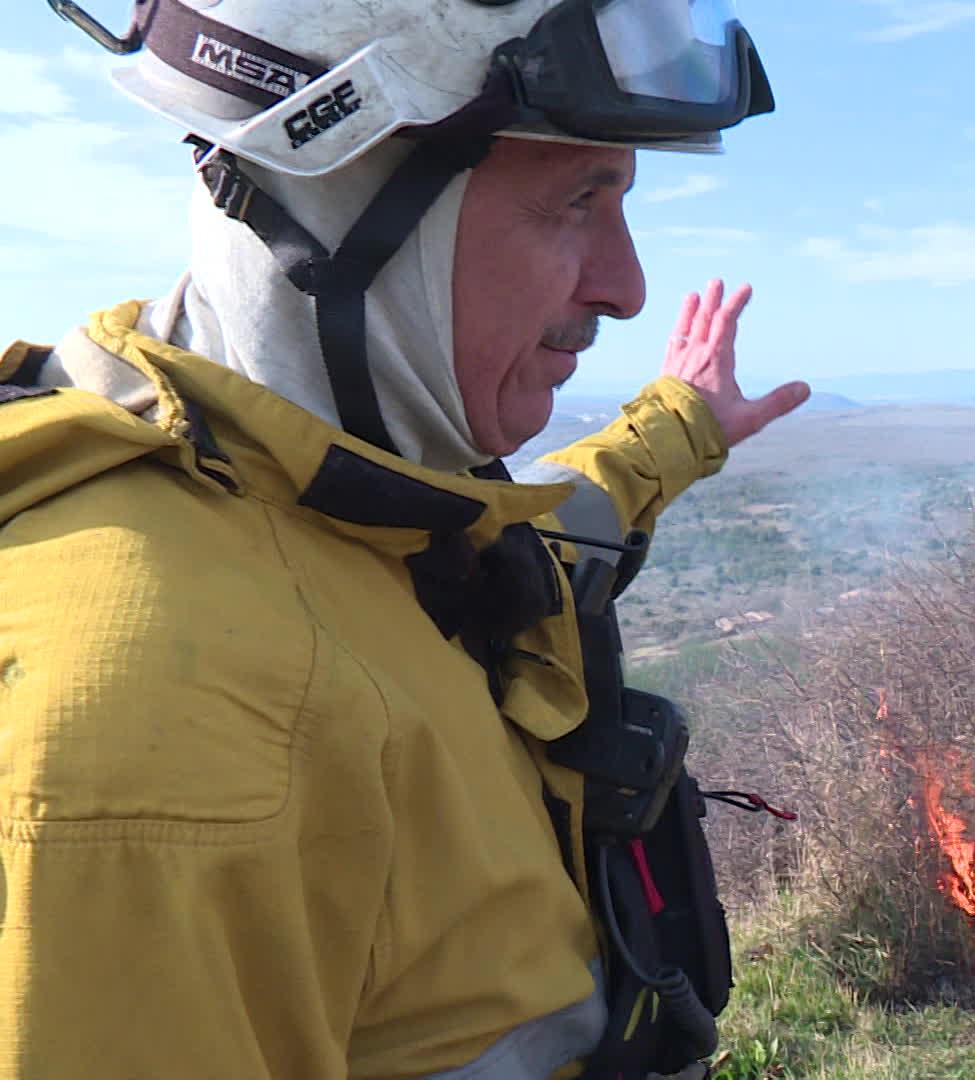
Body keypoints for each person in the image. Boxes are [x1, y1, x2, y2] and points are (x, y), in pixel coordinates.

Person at [0, 1, 806, 1076]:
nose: (626, 285)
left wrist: (680, 425)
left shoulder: (341, 504)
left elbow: (521, 546)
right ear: (338, 200)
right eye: (577, 198)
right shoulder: (168, 716)